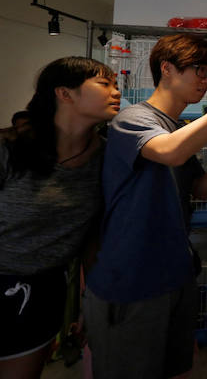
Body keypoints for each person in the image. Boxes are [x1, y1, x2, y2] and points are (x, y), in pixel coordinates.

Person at [84, 34, 207, 379]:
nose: (206, 81)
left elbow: (197, 190)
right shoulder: (132, 119)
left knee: (173, 367)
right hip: (132, 280)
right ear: (166, 69)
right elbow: (169, 152)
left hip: (174, 275)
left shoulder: (176, 127)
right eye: (201, 71)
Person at [0, 57, 121, 379]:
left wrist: (89, 301)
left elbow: (93, 235)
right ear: (64, 94)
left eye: (116, 84)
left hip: (43, 290)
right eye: (104, 84)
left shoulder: (104, 158)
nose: (116, 92)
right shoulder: (10, 148)